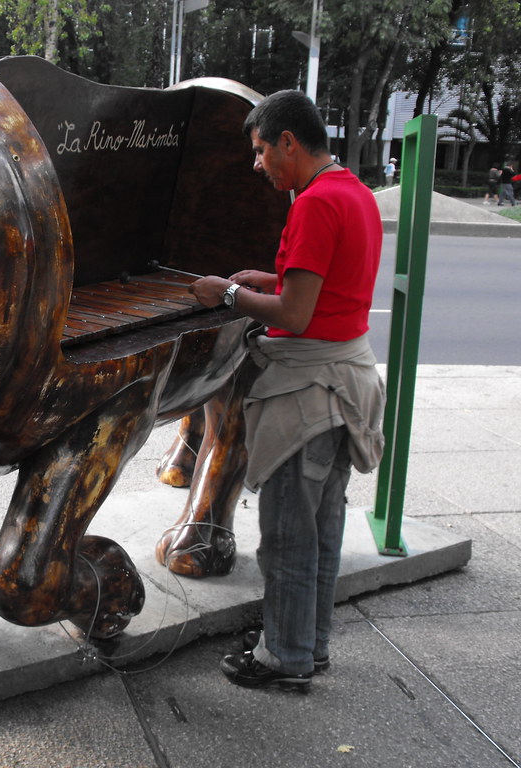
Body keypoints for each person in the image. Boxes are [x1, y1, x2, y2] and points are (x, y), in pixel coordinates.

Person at [189, 89, 386, 691]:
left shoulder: (314, 204)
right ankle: (308, 644)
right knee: (323, 534)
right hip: (345, 385)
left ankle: (286, 661)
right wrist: (265, 279)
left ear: (288, 143)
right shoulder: (353, 193)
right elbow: (325, 283)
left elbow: (296, 314)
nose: (258, 165)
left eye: (259, 151)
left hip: (310, 395)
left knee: (287, 540)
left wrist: (224, 294)